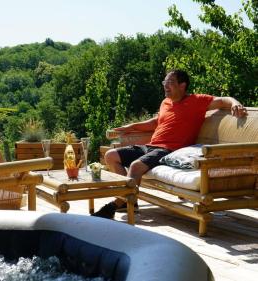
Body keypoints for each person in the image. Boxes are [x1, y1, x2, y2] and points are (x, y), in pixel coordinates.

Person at [93, 69, 248, 219]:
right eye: (164, 82)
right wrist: (132, 127)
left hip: (169, 150)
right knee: (111, 156)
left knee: (135, 166)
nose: (165, 85)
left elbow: (222, 100)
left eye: (170, 82)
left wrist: (235, 103)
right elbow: (156, 122)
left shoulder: (196, 101)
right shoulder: (166, 102)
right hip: (150, 146)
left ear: (183, 85)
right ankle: (127, 200)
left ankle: (116, 204)